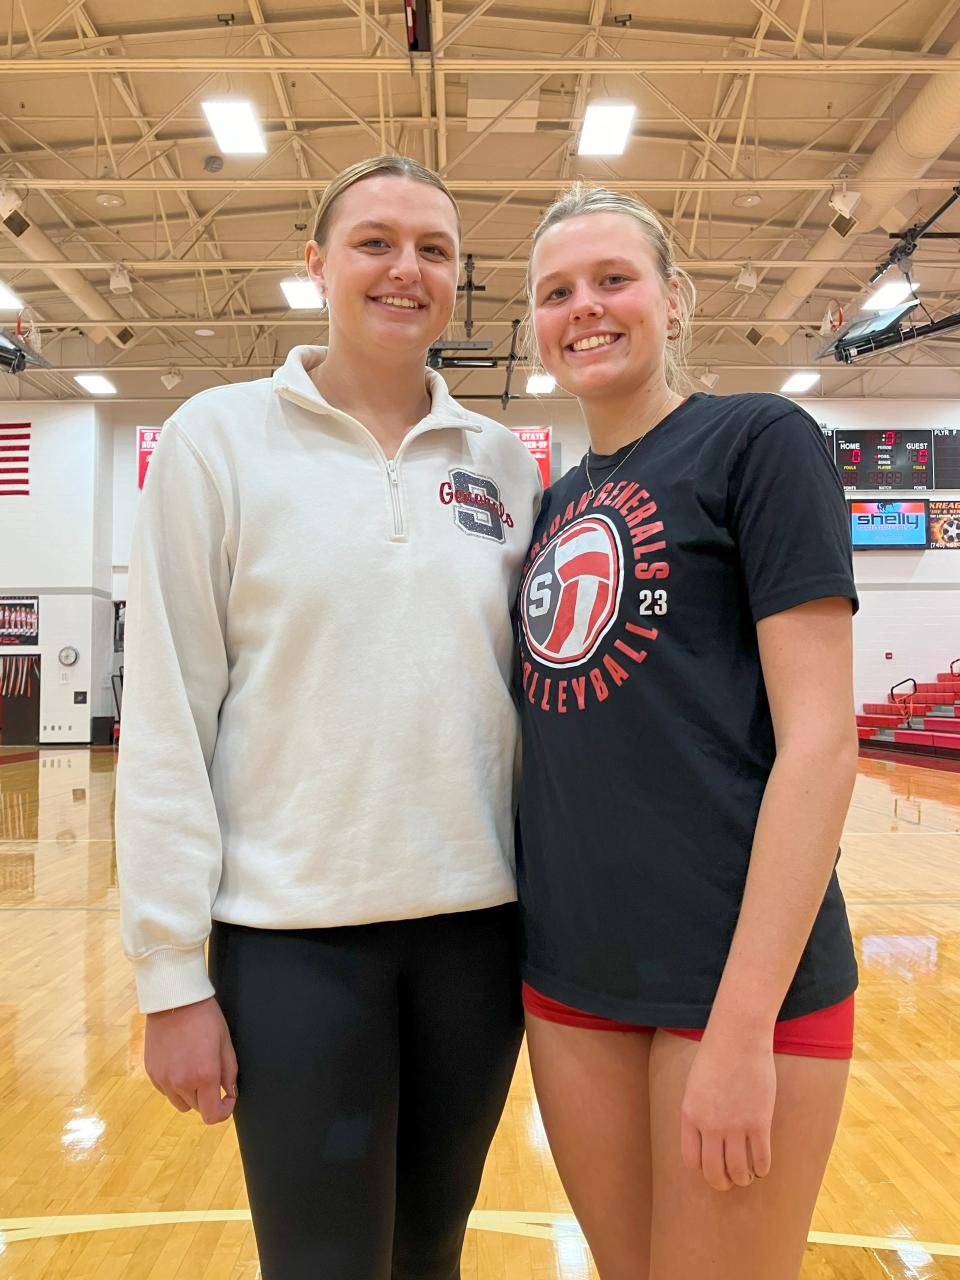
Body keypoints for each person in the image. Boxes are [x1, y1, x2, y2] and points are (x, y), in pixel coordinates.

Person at [115, 154, 541, 1280]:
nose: (406, 269)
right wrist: (170, 974)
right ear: (315, 266)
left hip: (477, 937)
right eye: (375, 242)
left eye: (434, 249)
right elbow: (167, 712)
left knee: (431, 1253)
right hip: (291, 944)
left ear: (457, 278)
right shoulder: (216, 438)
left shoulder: (503, 462)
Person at [515, 185, 859, 1280]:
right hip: (573, 979)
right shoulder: (551, 505)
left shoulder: (758, 440)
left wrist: (743, 1021)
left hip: (738, 983)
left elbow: (821, 741)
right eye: (557, 291)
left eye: (613, 278)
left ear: (674, 297)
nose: (587, 307)